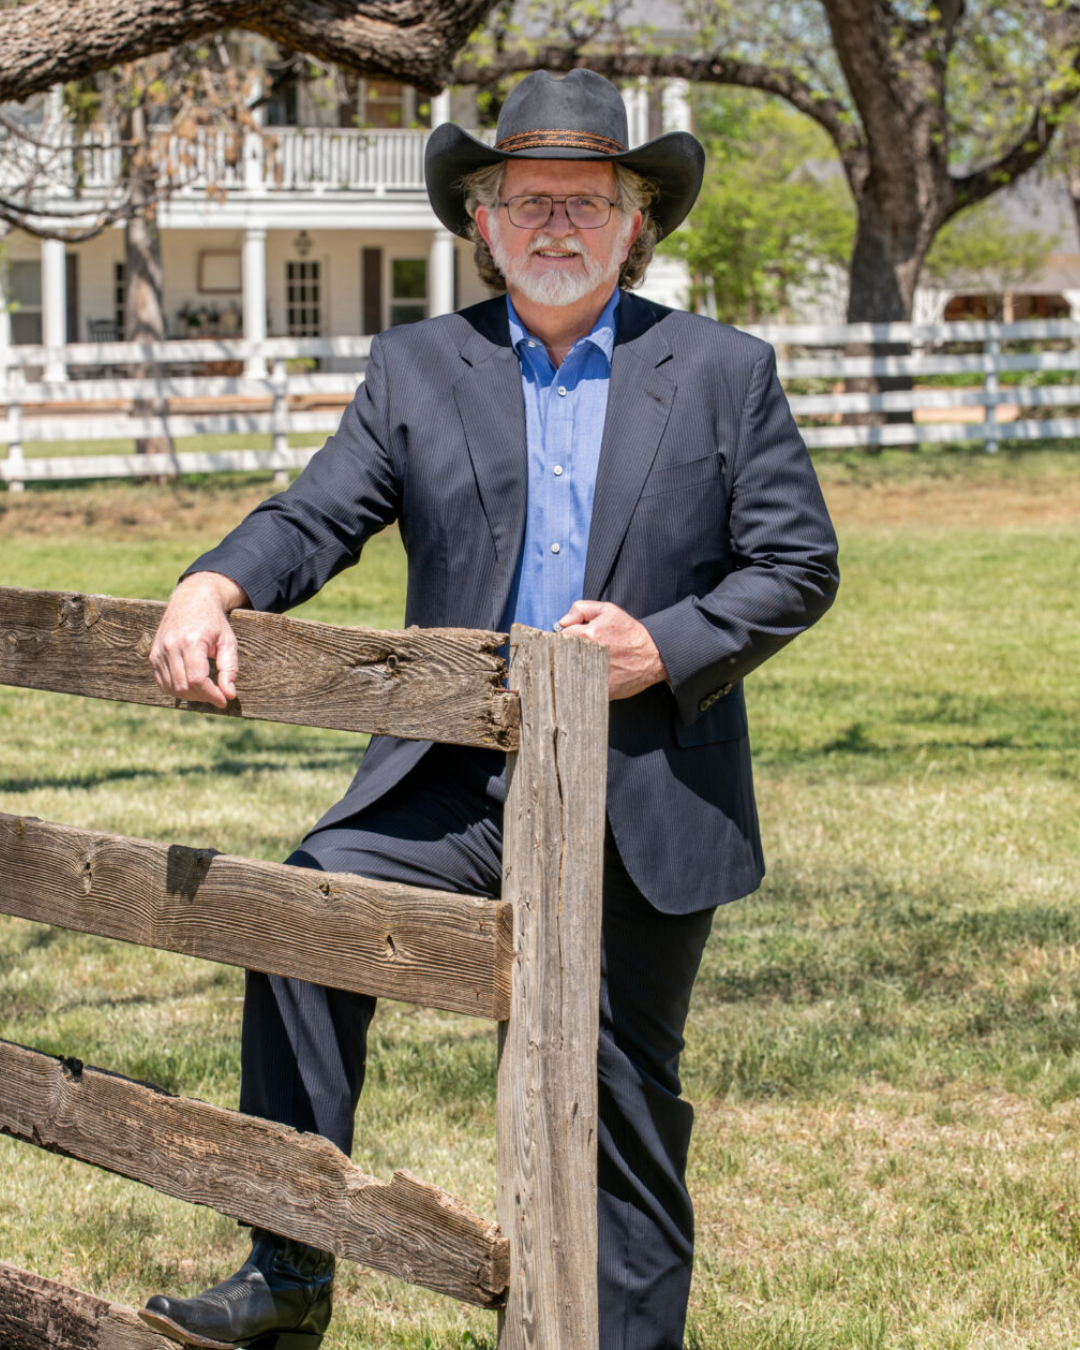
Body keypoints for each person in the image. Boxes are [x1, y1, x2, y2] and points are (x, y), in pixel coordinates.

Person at [139, 68, 839, 1350]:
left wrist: (661, 644)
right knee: (303, 915)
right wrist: (213, 580)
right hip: (456, 782)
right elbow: (319, 513)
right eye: (529, 200)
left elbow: (796, 564)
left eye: (586, 201)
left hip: (642, 789)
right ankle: (291, 1267)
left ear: (636, 223)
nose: (556, 225)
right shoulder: (420, 364)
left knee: (617, 1101)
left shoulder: (725, 369)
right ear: (484, 222)